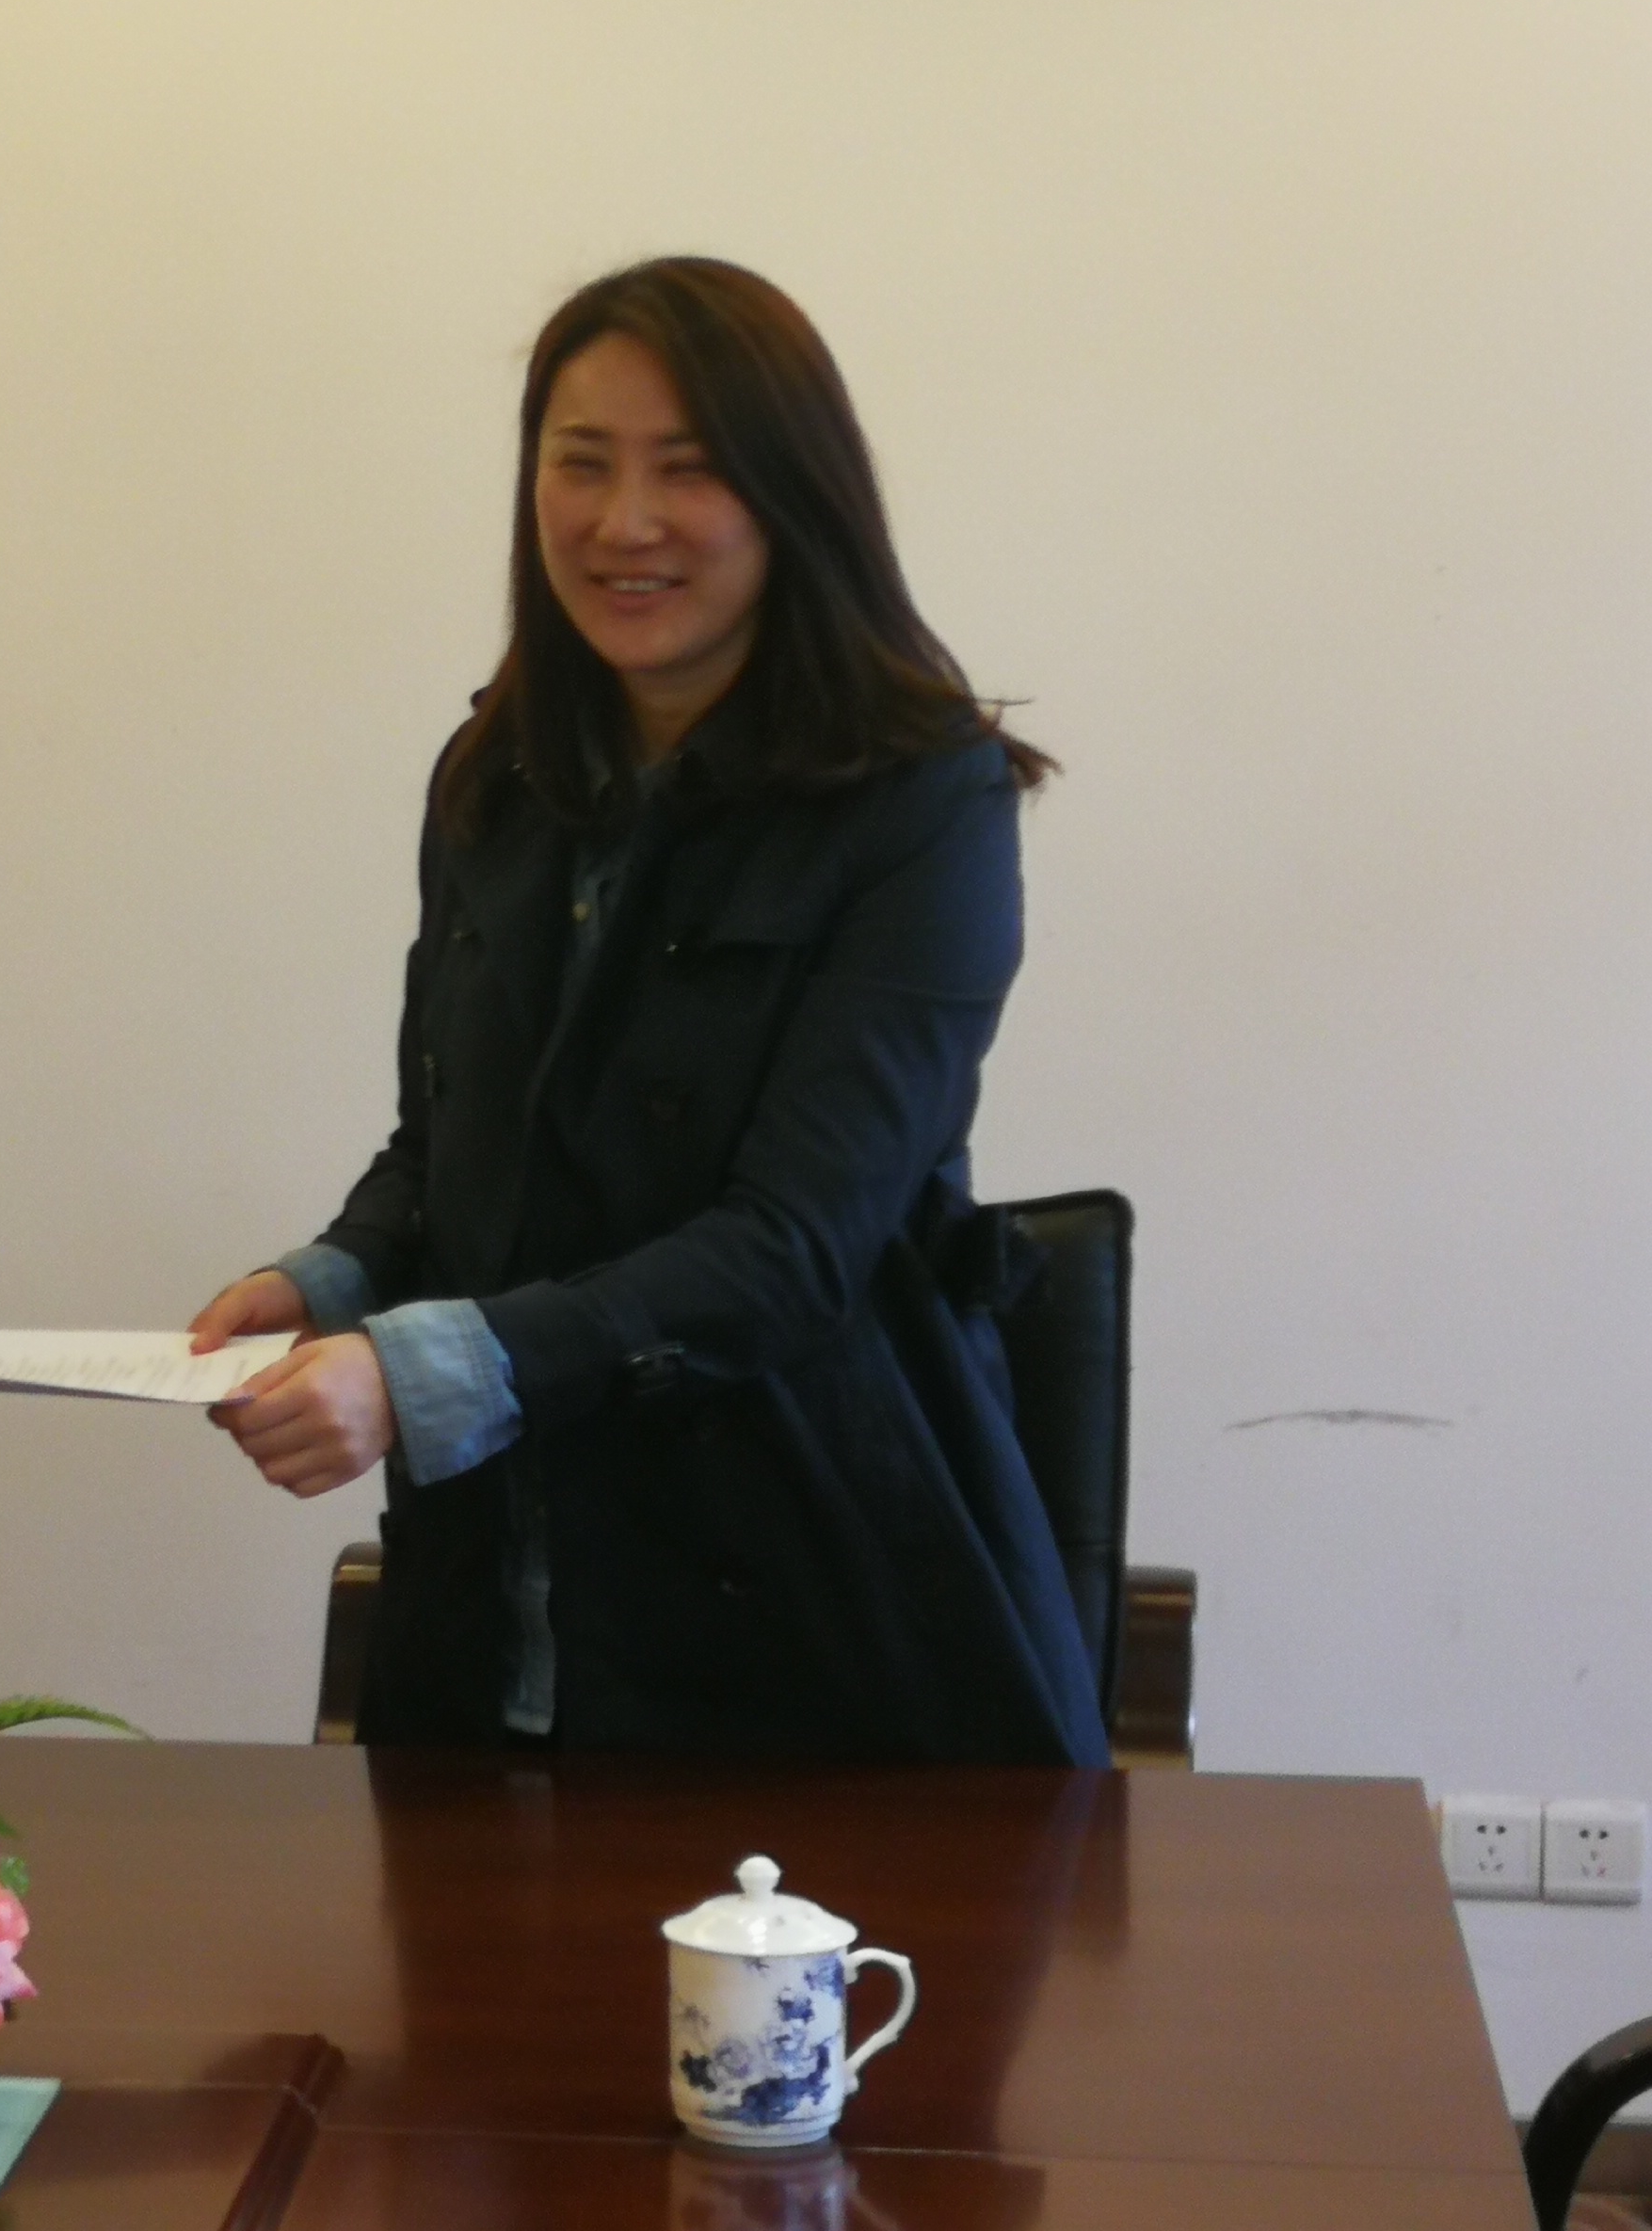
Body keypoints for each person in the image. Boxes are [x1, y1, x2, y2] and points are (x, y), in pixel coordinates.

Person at [188, 257, 1106, 1761]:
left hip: (805, 1633)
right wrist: (333, 1280)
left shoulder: (921, 800)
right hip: (487, 1626)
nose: (624, 523)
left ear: (795, 495)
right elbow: (444, 1150)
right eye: (582, 463)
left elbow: (795, 1247)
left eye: (689, 469)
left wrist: (419, 1372)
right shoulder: (496, 776)